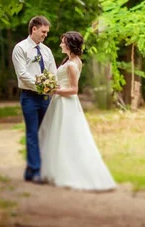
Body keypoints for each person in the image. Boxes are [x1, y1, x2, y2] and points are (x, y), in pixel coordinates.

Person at [39, 31, 117, 191]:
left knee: (65, 136)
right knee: (58, 135)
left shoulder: (73, 65)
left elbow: (74, 90)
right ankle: (57, 168)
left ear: (69, 44)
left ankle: (68, 171)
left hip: (65, 102)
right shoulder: (70, 60)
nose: (60, 44)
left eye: (63, 42)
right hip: (61, 102)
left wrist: (54, 90)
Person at [12, 15, 57, 183]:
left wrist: (51, 86)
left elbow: (52, 70)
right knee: (32, 133)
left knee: (45, 132)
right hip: (29, 97)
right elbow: (22, 74)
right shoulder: (20, 48)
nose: (45, 35)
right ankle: (36, 171)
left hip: (46, 97)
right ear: (34, 29)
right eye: (43, 32)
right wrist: (40, 86)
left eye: (47, 32)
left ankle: (32, 169)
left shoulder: (46, 51)